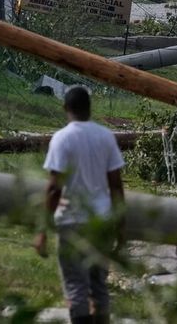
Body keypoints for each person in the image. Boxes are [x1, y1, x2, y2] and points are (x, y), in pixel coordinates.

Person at [34, 86, 126, 324]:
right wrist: (120, 225)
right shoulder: (105, 136)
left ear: (65, 108)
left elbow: (54, 188)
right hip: (101, 221)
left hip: (71, 221)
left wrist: (42, 230)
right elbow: (116, 185)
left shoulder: (62, 138)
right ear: (89, 108)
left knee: (76, 285)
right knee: (98, 284)